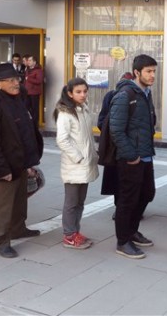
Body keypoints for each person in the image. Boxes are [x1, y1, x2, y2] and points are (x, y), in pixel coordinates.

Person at [0, 63, 43, 258]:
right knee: (3, 206)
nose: (17, 83)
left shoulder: (17, 99)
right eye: (12, 80)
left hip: (21, 161)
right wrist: (1, 169)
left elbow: (25, 133)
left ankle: (18, 229)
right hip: (4, 166)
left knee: (19, 201)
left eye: (17, 79)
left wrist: (30, 162)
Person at [109, 55, 157, 259]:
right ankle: (122, 241)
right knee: (128, 200)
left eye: (154, 71)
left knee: (147, 194)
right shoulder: (125, 95)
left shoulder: (146, 93)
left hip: (145, 154)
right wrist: (131, 155)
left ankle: (132, 231)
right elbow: (116, 130)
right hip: (131, 158)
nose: (153, 75)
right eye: (148, 71)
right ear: (137, 73)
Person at [54, 78, 99, 250]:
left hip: (85, 164)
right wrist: (79, 158)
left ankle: (75, 231)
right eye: (78, 92)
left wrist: (92, 155)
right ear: (70, 93)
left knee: (80, 202)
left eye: (85, 91)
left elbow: (87, 138)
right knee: (72, 202)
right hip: (75, 165)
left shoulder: (83, 110)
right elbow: (62, 140)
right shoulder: (66, 113)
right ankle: (69, 236)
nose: (82, 95)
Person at [97, 72, 135, 219]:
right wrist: (110, 133)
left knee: (131, 181)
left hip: (132, 146)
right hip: (114, 147)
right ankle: (119, 208)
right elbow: (102, 120)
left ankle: (131, 208)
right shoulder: (111, 96)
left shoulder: (141, 96)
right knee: (117, 179)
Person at [24, 55, 44, 125]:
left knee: (35, 109)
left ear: (34, 62)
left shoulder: (39, 70)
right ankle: (28, 123)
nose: (28, 62)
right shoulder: (27, 69)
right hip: (27, 92)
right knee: (25, 108)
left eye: (30, 60)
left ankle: (35, 125)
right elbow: (25, 80)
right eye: (28, 60)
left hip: (34, 93)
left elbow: (39, 81)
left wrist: (28, 78)